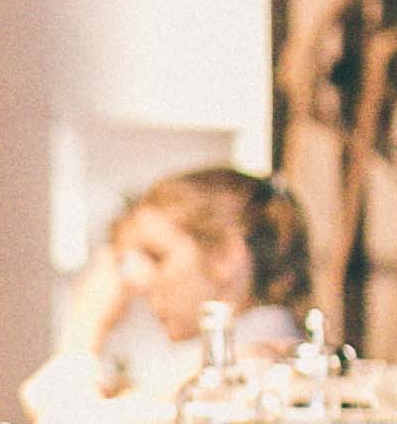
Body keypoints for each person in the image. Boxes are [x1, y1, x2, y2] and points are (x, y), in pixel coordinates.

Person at [49, 165, 313, 405]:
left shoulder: (246, 367)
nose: (138, 281)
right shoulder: (233, 358)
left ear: (224, 256)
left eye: (156, 256)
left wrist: (85, 325)